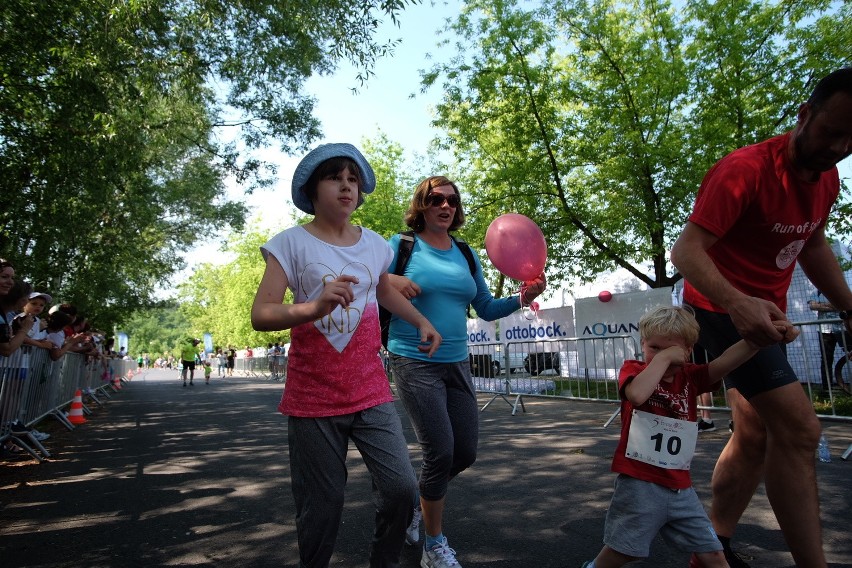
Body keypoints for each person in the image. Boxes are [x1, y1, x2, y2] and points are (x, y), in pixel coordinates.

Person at [670, 67, 852, 568]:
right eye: (831, 131)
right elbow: (685, 252)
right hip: (716, 309)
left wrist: (848, 306)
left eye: (851, 139)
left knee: (753, 433)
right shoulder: (744, 170)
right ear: (804, 114)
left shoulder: (828, 180)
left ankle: (712, 546)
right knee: (800, 430)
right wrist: (736, 301)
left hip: (763, 318)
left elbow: (812, 244)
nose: (838, 147)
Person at [250, 142, 442, 568]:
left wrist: (421, 322)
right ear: (312, 190)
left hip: (370, 389)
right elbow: (261, 315)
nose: (346, 186)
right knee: (322, 505)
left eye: (353, 179)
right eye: (335, 177)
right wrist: (314, 307)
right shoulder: (289, 244)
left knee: (401, 490)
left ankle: (384, 561)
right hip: (312, 395)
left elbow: (384, 290)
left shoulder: (375, 245)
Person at [385, 175, 545, 568]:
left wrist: (522, 297)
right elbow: (372, 283)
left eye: (452, 201)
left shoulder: (466, 253)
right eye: (436, 199)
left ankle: (414, 504)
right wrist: (393, 277)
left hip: (457, 362)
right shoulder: (401, 246)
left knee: (465, 451)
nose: (445, 206)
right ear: (421, 204)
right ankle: (434, 545)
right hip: (412, 358)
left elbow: (486, 307)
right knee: (439, 450)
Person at [580, 305, 795, 568]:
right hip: (640, 484)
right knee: (623, 552)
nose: (663, 357)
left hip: (680, 487)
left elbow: (726, 361)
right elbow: (637, 395)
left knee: (713, 554)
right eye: (654, 348)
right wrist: (661, 359)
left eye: (673, 351)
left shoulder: (690, 377)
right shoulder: (635, 370)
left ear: (688, 351)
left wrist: (758, 340)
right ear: (642, 344)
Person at [808, 290, 851, 392]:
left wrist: (822, 305)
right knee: (826, 359)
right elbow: (813, 306)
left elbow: (846, 306)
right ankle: (827, 389)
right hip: (824, 330)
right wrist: (834, 305)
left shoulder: (841, 289)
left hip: (842, 328)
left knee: (850, 353)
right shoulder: (817, 291)